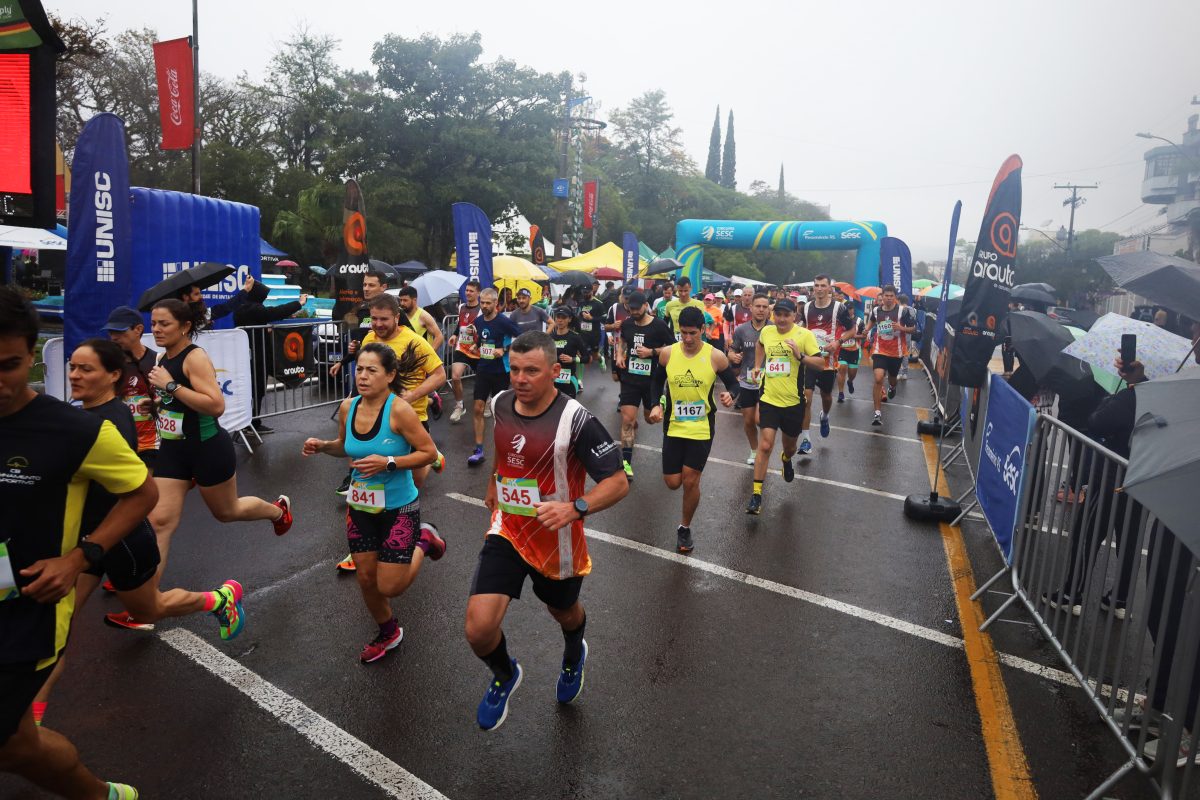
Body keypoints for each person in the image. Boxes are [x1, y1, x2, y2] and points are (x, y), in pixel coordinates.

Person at [33, 339, 247, 723]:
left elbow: (140, 493)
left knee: (152, 608)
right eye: (73, 367)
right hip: (87, 544)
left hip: (123, 540)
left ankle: (218, 600)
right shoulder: (87, 417)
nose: (74, 375)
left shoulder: (107, 424)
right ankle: (26, 722)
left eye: (86, 369)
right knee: (53, 630)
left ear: (114, 375)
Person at [0, 287, 154, 799]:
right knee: (17, 745)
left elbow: (142, 492)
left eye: (10, 365)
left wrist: (80, 557)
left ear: (30, 356)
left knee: (9, 745)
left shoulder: (74, 429)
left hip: (26, 613)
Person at [464, 331, 629, 731]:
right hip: (508, 527)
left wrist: (576, 507)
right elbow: (506, 453)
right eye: (514, 369)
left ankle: (575, 650)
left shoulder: (576, 420)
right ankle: (505, 673)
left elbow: (618, 481)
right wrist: (492, 484)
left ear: (555, 371)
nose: (519, 379)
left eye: (531, 371)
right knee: (478, 628)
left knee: (563, 612)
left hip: (556, 540)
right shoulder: (502, 403)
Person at [303, 344, 445, 663]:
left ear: (390, 375)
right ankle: (388, 631)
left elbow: (429, 453)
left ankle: (425, 538)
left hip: (398, 508)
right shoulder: (347, 407)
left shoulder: (399, 411)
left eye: (372, 370)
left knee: (391, 586)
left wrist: (389, 462)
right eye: (360, 369)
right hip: (361, 507)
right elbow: (345, 446)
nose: (362, 376)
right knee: (367, 579)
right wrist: (323, 446)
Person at [141, 299, 293, 589]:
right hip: (174, 449)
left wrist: (171, 385)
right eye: (154, 324)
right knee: (160, 521)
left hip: (207, 447)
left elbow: (215, 405)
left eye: (164, 324)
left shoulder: (194, 357)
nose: (157, 330)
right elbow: (178, 400)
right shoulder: (162, 359)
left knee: (227, 512)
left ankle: (277, 511)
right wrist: (159, 402)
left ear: (185, 326)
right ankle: (145, 603)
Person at [332, 294, 447, 573]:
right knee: (370, 479)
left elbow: (439, 375)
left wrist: (413, 395)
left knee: (411, 484)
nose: (379, 324)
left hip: (412, 420)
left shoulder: (413, 341)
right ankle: (362, 547)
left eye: (385, 319)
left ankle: (415, 530)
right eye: (374, 318)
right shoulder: (371, 338)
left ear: (397, 316)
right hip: (376, 420)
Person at [647, 307, 737, 552]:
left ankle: (684, 529)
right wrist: (656, 404)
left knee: (689, 480)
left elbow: (734, 384)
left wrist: (732, 396)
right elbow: (656, 381)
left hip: (701, 427)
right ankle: (688, 492)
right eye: (683, 333)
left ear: (703, 331)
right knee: (672, 482)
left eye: (692, 334)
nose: (687, 339)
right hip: (674, 426)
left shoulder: (715, 356)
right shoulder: (668, 354)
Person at [745, 298, 825, 515]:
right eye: (777, 314)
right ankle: (756, 495)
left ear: (794, 317)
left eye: (786, 315)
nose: (781, 319)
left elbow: (821, 363)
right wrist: (757, 366)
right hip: (769, 397)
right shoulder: (768, 332)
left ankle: (786, 459)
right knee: (765, 445)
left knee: (789, 446)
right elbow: (761, 345)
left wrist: (800, 355)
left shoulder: (804, 335)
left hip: (793, 402)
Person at [232, 280, 308, 435]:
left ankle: (250, 421)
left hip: (248, 354)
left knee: (253, 389)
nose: (264, 299)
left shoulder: (242, 308)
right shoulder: (253, 308)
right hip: (256, 356)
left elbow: (262, 317)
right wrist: (299, 303)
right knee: (256, 388)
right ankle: (251, 423)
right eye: (263, 296)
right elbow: (274, 312)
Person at [614, 291, 675, 480]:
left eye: (636, 308)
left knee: (651, 419)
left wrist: (652, 352)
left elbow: (673, 348)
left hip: (652, 381)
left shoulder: (659, 325)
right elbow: (622, 340)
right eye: (630, 308)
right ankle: (625, 464)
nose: (633, 312)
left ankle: (661, 403)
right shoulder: (627, 324)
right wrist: (619, 355)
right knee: (627, 420)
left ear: (646, 306)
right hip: (630, 379)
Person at [799, 275, 856, 454]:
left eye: (823, 285)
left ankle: (825, 416)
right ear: (813, 288)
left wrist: (837, 343)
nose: (819, 289)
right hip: (809, 360)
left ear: (830, 288)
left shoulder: (840, 308)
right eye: (816, 285)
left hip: (828, 362)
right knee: (806, 398)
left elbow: (852, 329)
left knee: (826, 396)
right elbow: (800, 327)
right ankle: (806, 439)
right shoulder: (807, 307)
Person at [468, 288, 522, 467]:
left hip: (501, 370)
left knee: (499, 411)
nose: (484, 306)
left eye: (488, 303)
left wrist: (504, 350)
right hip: (484, 369)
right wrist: (476, 346)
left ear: (496, 304)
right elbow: (482, 339)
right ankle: (478, 449)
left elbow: (521, 337)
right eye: (482, 302)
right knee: (477, 408)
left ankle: (503, 449)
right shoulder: (478, 321)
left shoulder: (503, 321)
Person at [103, 305, 160, 470]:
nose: (114, 337)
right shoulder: (106, 365)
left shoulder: (157, 360)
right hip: (117, 443)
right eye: (111, 332)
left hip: (150, 444)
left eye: (120, 332)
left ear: (138, 329)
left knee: (149, 493)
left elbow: (169, 400)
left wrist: (156, 403)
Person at [864, 285, 916, 427]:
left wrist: (901, 328)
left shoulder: (902, 312)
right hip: (880, 350)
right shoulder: (876, 310)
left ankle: (892, 387)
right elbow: (871, 322)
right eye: (886, 295)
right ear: (882, 296)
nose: (888, 298)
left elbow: (914, 329)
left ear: (895, 297)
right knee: (878, 378)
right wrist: (866, 330)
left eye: (891, 296)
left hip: (896, 352)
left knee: (892, 379)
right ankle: (877, 413)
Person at [729, 292, 771, 465]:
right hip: (747, 381)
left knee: (759, 419)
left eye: (765, 307)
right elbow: (731, 350)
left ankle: (764, 448)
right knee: (748, 421)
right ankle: (754, 450)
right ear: (751, 308)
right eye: (758, 306)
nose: (761, 310)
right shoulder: (741, 330)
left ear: (769, 310)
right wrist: (732, 356)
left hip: (768, 383)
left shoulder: (774, 329)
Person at [447, 279, 483, 423]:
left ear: (478, 293)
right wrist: (454, 335)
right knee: (455, 377)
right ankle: (459, 406)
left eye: (471, 291)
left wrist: (476, 336)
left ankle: (486, 401)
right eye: (467, 290)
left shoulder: (481, 309)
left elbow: (485, 328)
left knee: (482, 380)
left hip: (476, 349)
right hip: (461, 347)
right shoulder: (461, 306)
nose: (468, 293)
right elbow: (459, 325)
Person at [549, 306, 587, 398]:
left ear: (569, 319)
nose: (560, 320)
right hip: (552, 381)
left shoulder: (575, 337)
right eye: (558, 317)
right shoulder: (550, 337)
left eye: (564, 318)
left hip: (569, 381)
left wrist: (573, 359)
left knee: (567, 411)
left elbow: (587, 358)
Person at [397, 285, 445, 353]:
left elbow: (439, 336)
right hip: (407, 358)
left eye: (405, 300)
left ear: (414, 300)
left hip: (421, 359)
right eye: (400, 300)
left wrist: (429, 355)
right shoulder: (401, 314)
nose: (402, 303)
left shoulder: (423, 316)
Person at [836, 308, 866, 404]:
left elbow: (864, 336)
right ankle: (841, 393)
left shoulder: (859, 321)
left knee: (852, 374)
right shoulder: (838, 321)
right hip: (842, 350)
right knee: (842, 369)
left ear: (853, 310)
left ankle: (850, 381)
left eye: (851, 309)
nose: (849, 311)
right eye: (847, 309)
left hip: (854, 351)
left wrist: (853, 336)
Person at [575, 284, 607, 370]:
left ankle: (601, 359)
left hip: (594, 334)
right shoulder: (581, 303)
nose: (585, 294)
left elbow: (604, 318)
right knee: (581, 355)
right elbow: (578, 315)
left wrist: (592, 318)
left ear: (592, 291)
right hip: (583, 334)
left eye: (587, 293)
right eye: (583, 293)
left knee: (595, 355)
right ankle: (580, 380)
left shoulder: (599, 304)